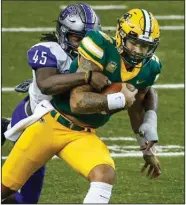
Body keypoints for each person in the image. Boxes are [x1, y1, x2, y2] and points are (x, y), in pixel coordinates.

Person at [2, 8, 162, 203]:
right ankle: (7, 126)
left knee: (104, 175)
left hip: (83, 132)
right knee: (9, 190)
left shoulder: (149, 66)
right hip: (47, 123)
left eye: (145, 46)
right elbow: (76, 102)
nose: (138, 51)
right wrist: (117, 97)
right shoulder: (90, 48)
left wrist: (147, 145)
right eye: (134, 42)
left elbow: (141, 98)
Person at [1, 3, 110, 204]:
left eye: (89, 40)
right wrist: (87, 76)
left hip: (63, 127)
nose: (83, 46)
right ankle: (7, 127)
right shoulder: (49, 50)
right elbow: (46, 85)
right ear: (64, 34)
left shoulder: (101, 54)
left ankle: (4, 127)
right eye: (78, 39)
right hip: (33, 123)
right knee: (21, 196)